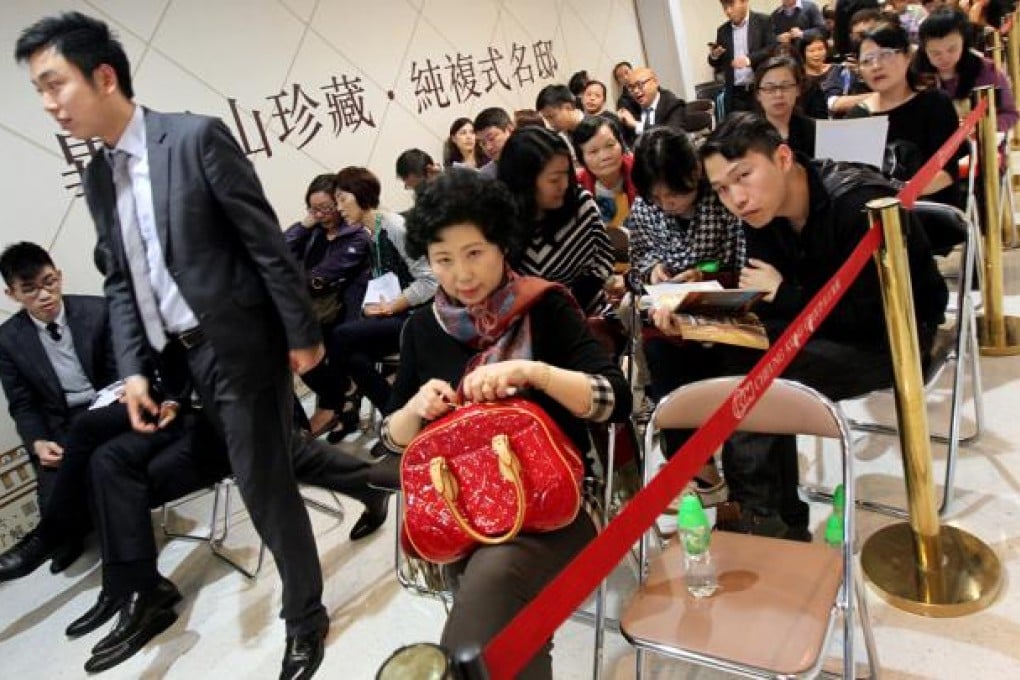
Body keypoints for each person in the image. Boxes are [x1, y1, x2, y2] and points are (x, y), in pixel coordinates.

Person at [15, 12, 329, 679]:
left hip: (235, 347)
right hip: (170, 367)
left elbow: (264, 242)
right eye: (38, 90)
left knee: (263, 487)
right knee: (264, 463)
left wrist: (302, 334)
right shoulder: (100, 176)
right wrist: (131, 372)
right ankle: (376, 483)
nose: (47, 104)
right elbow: (121, 281)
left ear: (103, 76)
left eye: (54, 84)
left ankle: (305, 619)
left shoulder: (192, 139)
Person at [382, 168, 631, 680]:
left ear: (501, 245)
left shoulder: (545, 306)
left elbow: (615, 400)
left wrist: (534, 373)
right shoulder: (421, 329)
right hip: (462, 509)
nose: (461, 275)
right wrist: (415, 410)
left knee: (490, 581)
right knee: (506, 630)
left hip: (557, 504)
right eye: (443, 260)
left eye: (474, 253)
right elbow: (390, 439)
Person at [656, 112, 947, 539]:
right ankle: (737, 497)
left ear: (783, 157)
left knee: (761, 375)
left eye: (744, 176)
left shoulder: (858, 204)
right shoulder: (761, 215)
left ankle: (765, 521)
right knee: (694, 346)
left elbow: (879, 318)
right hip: (817, 332)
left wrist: (787, 295)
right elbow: (770, 307)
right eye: (721, 189)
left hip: (897, 340)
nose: (736, 198)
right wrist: (701, 317)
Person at [75, 402, 390, 673]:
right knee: (109, 467)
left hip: (240, 376)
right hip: (196, 408)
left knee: (270, 479)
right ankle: (138, 587)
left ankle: (304, 618)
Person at [0, 242, 117, 576]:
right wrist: (37, 442)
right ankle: (67, 536)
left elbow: (119, 377)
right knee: (50, 470)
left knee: (85, 443)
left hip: (105, 406)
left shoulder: (98, 311)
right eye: (30, 289)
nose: (45, 295)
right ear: (12, 294)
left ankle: (45, 540)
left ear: (59, 276)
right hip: (59, 423)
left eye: (49, 282)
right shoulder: (8, 340)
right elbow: (22, 403)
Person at [300, 166, 436, 442]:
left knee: (341, 335)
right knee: (356, 359)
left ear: (361, 196)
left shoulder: (394, 227)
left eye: (342, 199)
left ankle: (343, 395)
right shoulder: (371, 233)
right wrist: (375, 306)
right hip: (395, 315)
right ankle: (398, 426)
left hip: (418, 317)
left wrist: (391, 306)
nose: (339, 208)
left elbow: (430, 281)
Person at [284, 174, 371, 435]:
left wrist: (290, 281)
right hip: (316, 312)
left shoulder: (355, 235)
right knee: (299, 359)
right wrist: (303, 224)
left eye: (326, 208)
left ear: (339, 203)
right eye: (314, 209)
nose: (320, 215)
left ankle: (343, 403)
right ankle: (345, 395)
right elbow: (277, 252)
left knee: (316, 355)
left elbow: (322, 277)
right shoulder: (312, 233)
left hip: (347, 310)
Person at [845, 21, 967, 208]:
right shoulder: (857, 116)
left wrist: (900, 193)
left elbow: (947, 173)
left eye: (885, 55)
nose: (876, 66)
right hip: (876, 216)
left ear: (908, 56)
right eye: (867, 60)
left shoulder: (934, 103)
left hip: (931, 210)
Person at [497, 127, 615, 314]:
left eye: (567, 174)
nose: (565, 184)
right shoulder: (502, 224)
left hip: (589, 314)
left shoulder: (580, 204)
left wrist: (573, 301)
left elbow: (605, 256)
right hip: (530, 326)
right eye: (554, 180)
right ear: (524, 182)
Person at [915, 6, 1019, 132]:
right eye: (935, 53)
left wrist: (983, 128)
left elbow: (1010, 114)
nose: (944, 57)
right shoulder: (916, 75)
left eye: (952, 49)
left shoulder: (985, 71)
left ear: (964, 43)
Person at [710, 0, 777, 114]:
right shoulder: (722, 31)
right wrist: (714, 56)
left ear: (745, 2)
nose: (728, 11)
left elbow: (771, 49)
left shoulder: (763, 21)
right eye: (724, 7)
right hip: (735, 94)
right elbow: (717, 63)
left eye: (731, 5)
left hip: (759, 90)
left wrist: (749, 59)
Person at [821, 7, 882, 116]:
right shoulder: (844, 67)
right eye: (859, 35)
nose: (864, 39)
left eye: (869, 32)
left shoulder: (891, 63)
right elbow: (832, 103)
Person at [754, 56, 817, 157]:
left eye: (785, 86)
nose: (778, 94)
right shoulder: (747, 134)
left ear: (797, 90)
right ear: (758, 94)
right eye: (770, 88)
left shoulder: (815, 131)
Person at [616, 67, 687, 136]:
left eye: (639, 85)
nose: (636, 91)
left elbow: (670, 135)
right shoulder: (630, 108)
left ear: (655, 82)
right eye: (631, 88)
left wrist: (636, 125)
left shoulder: (674, 105)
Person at [798, 33, 834, 117]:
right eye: (811, 51)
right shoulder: (799, 75)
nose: (817, 54)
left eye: (820, 49)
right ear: (803, 53)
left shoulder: (837, 70)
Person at [472, 107, 515, 178]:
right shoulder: (485, 177)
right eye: (483, 143)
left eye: (491, 139)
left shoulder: (534, 157)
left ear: (510, 129)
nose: (488, 147)